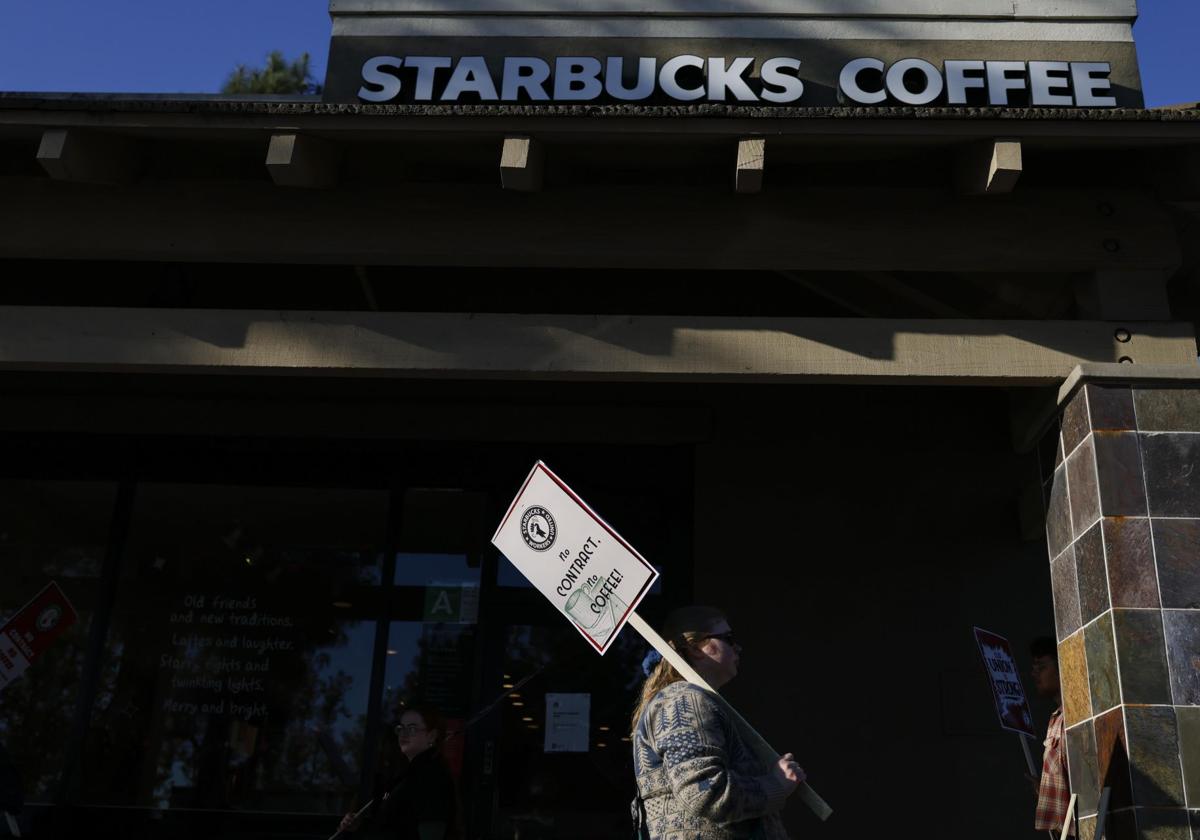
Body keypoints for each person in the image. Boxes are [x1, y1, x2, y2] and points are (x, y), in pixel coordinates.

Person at [630, 605, 805, 840]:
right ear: (696, 648)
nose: (737, 647)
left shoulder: (687, 699)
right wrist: (776, 784)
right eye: (728, 638)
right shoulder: (685, 700)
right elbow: (704, 792)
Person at [339, 704, 459, 840]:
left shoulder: (432, 776)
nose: (404, 733)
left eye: (412, 728)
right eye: (401, 728)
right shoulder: (404, 773)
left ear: (431, 736)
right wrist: (357, 825)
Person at [1029, 636, 1072, 836]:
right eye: (1034, 668)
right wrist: (1045, 789)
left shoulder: (1075, 718)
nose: (1034, 674)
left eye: (1042, 667)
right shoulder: (1056, 719)